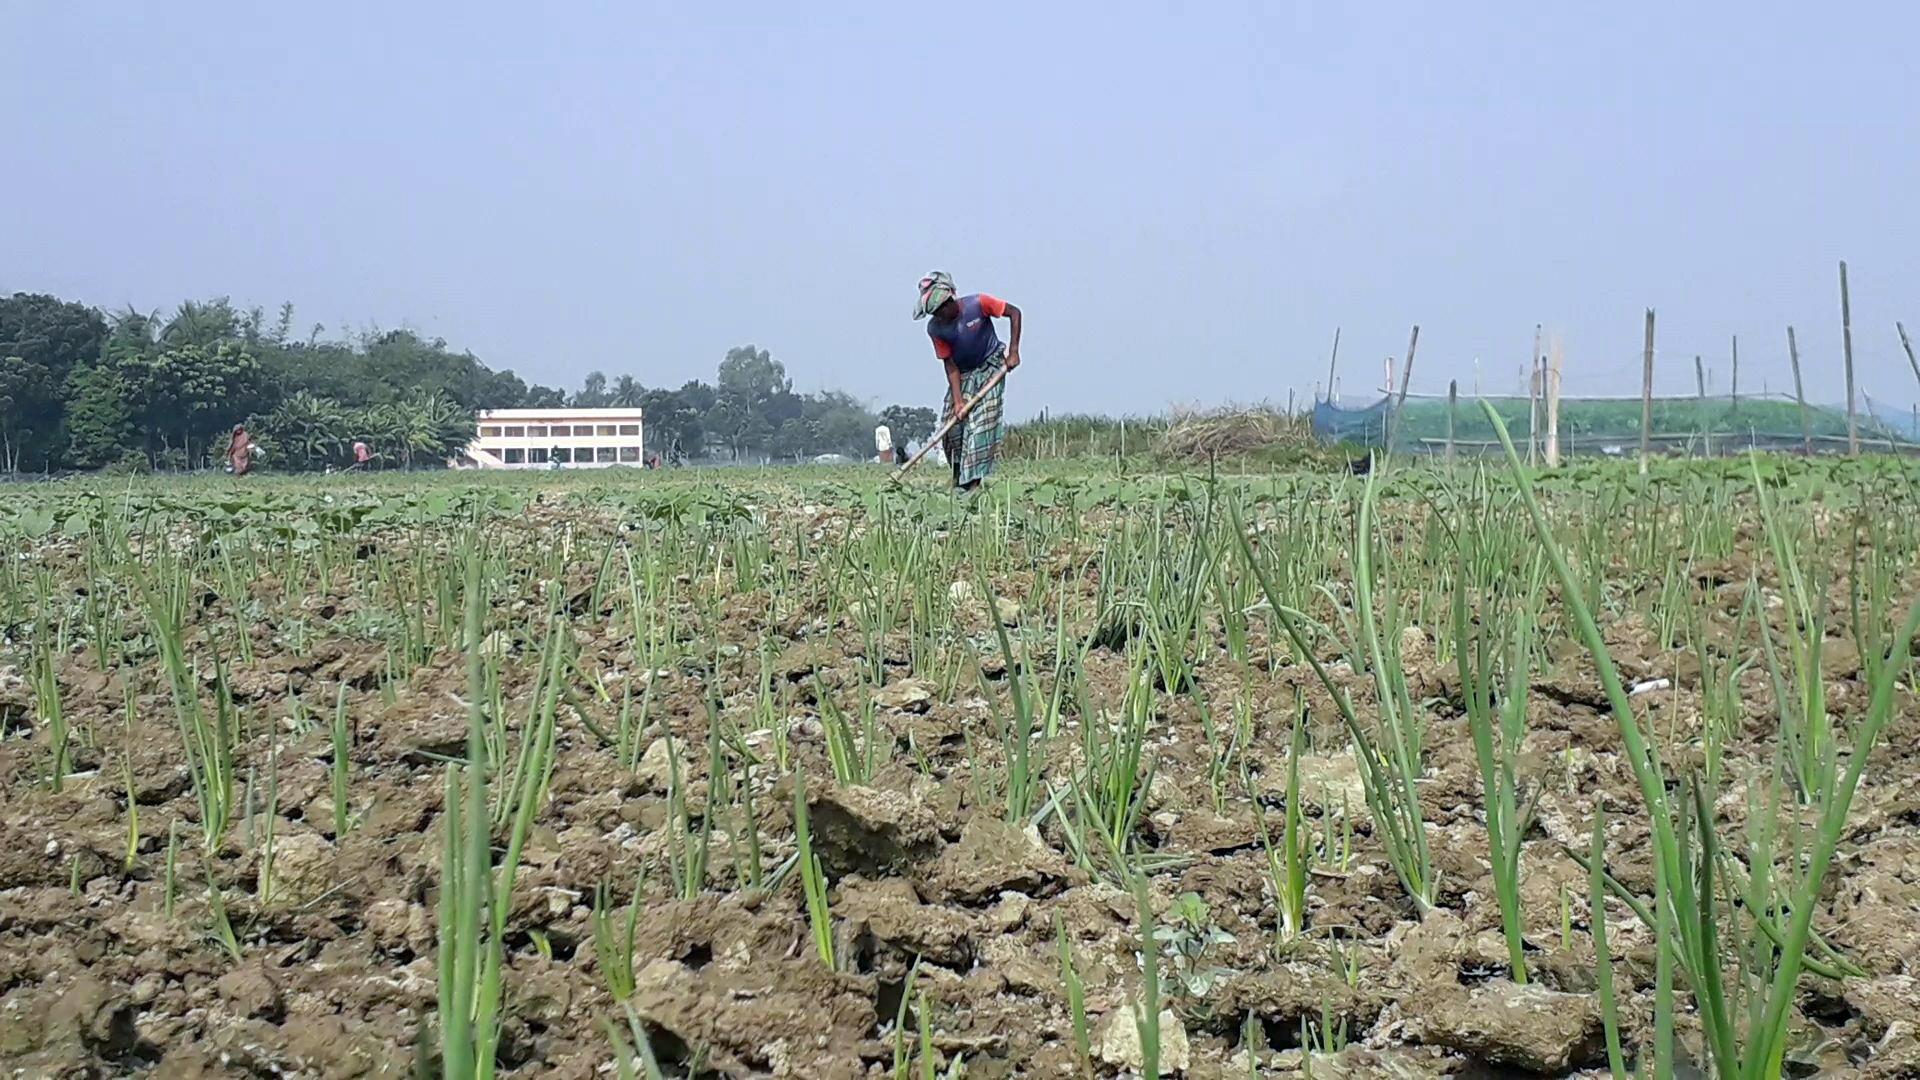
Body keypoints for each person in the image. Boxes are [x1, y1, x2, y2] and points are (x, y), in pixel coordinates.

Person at [914, 271, 1022, 490]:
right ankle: (957, 477)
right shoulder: (935, 328)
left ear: (951, 299)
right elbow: (950, 365)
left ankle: (972, 484)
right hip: (963, 373)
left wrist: (1013, 352)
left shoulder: (978, 304)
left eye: (942, 309)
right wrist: (958, 401)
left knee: (980, 424)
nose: (940, 315)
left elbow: (1014, 313)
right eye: (935, 313)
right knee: (951, 426)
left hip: (991, 366)